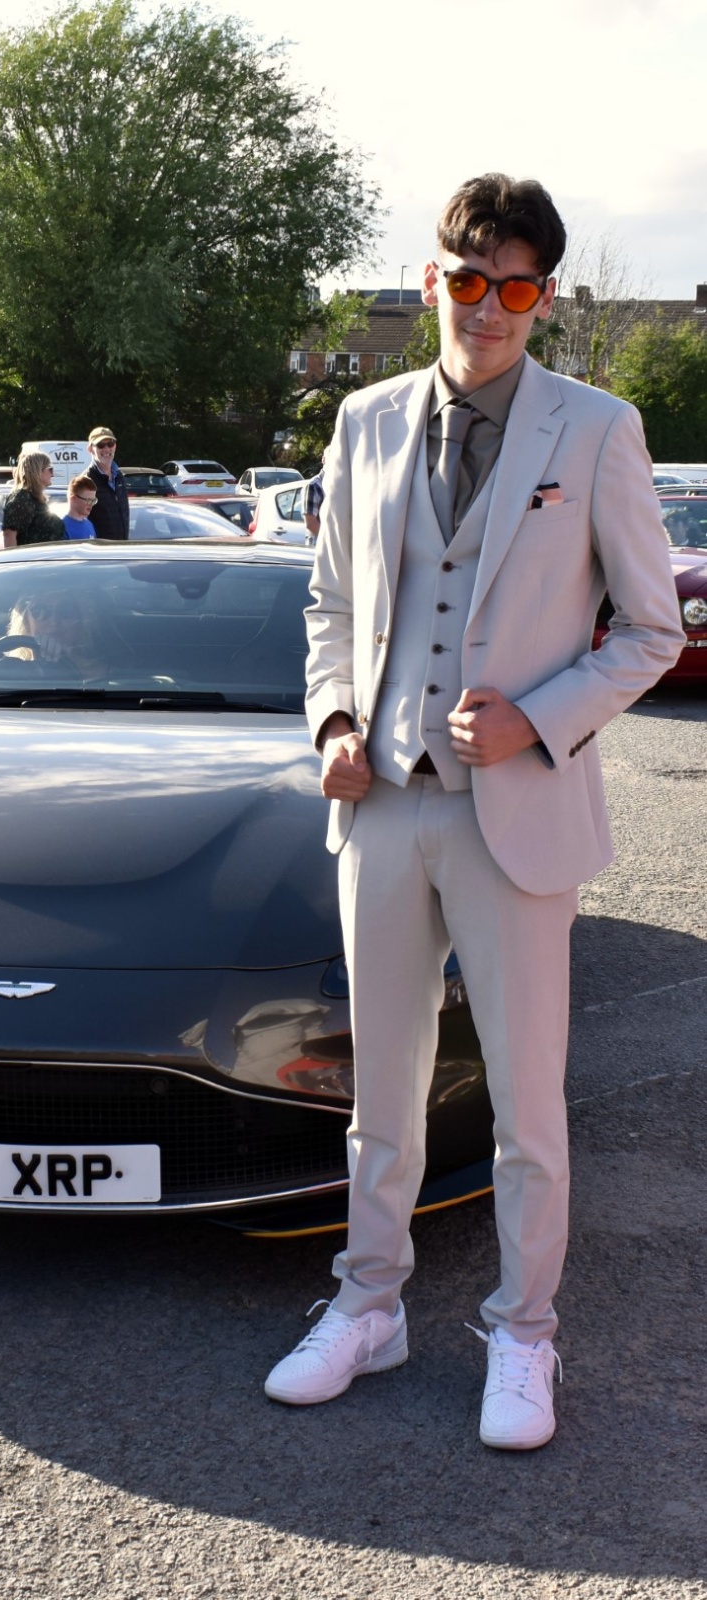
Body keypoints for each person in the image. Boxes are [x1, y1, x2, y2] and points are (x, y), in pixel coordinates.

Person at [263, 174, 684, 1451]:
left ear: (543, 297)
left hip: (519, 809)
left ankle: (524, 1331)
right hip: (384, 803)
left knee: (525, 1104)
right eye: (466, 280)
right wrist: (334, 722)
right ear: (431, 279)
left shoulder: (597, 428)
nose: (486, 307)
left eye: (514, 286)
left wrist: (538, 718)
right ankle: (367, 1305)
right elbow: (332, 605)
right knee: (379, 1093)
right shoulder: (364, 419)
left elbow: (651, 631)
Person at [1, 453, 68, 547]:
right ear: (38, 471)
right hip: (30, 556)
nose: (52, 474)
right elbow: (9, 535)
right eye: (50, 469)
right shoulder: (22, 498)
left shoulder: (35, 498)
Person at [85, 427, 129, 540]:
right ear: (90, 449)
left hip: (123, 546)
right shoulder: (86, 480)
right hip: (101, 548)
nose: (106, 449)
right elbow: (82, 519)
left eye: (110, 444)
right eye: (100, 445)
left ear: (115, 446)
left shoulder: (119, 477)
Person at [63, 474, 98, 539]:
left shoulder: (89, 525)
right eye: (88, 500)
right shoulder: (63, 528)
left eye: (93, 500)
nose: (91, 504)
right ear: (73, 499)